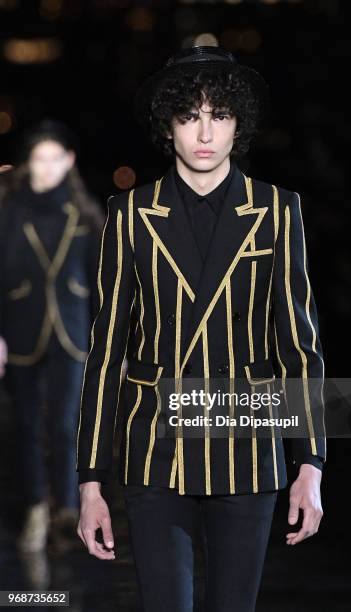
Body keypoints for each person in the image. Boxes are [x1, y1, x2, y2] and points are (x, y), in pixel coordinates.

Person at [76, 46, 326, 612]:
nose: (205, 132)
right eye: (190, 116)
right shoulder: (130, 214)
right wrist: (90, 480)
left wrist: (310, 463)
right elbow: (106, 349)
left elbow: (298, 347)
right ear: (169, 126)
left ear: (240, 123)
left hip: (247, 448)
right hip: (154, 453)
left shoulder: (278, 211)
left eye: (220, 115)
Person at [0, 120, 104, 552]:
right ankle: (35, 506)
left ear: (69, 161)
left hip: (73, 330)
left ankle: (65, 505)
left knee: (65, 424)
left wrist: (105, 334)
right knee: (26, 423)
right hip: (20, 326)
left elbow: (103, 278)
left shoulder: (84, 212)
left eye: (54, 158)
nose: (45, 168)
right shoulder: (9, 208)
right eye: (39, 158)